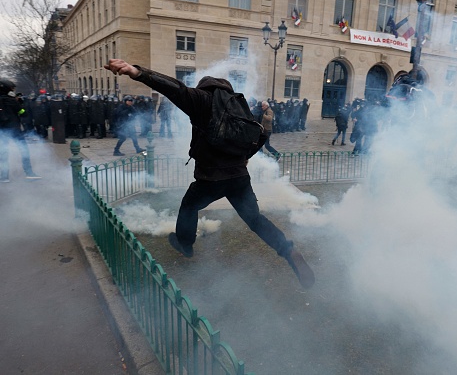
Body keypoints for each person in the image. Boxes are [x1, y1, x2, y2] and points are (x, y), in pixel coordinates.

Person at [104, 58, 315, 289]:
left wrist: (137, 71)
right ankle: (288, 250)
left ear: (206, 87)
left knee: (189, 206)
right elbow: (256, 138)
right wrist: (253, 146)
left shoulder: (202, 99)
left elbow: (174, 88)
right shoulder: (239, 104)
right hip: (239, 178)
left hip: (210, 178)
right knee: (255, 220)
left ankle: (185, 244)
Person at [0, 79, 41, 182]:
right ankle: (29, 173)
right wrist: (20, 104)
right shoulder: (11, 100)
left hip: (2, 131)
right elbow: (23, 113)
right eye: (12, 89)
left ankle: (4, 176)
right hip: (14, 130)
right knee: (24, 151)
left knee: (4, 153)